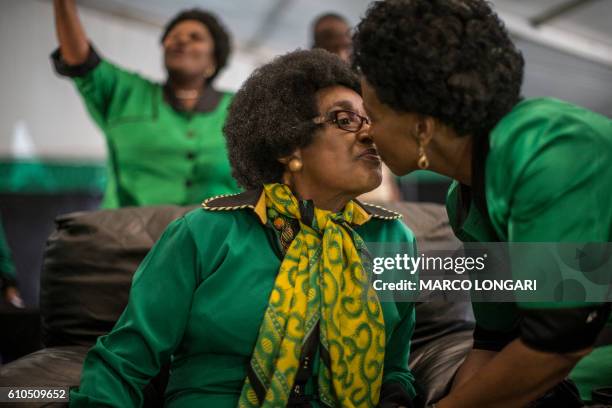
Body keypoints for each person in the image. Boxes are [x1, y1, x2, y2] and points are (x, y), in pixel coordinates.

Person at [70, 49, 418, 407]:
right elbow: (124, 361)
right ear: (288, 145)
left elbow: (394, 368)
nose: (369, 135)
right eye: (345, 119)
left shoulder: (394, 240)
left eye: (370, 120)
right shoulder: (205, 234)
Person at [352, 0, 612, 406]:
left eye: (372, 115)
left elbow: (557, 345)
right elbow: (492, 342)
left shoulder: (550, 148)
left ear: (421, 127)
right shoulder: (466, 200)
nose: (366, 133)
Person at [52, 1, 239, 208]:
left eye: (195, 37)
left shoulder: (241, 108)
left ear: (213, 60)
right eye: (174, 36)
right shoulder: (124, 93)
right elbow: (81, 61)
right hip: (130, 237)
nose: (182, 41)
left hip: (217, 236)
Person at [311, 12, 401, 203]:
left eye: (346, 47)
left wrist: (394, 196)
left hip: (379, 197)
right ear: (316, 49)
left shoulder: (368, 90)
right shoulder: (309, 98)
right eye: (332, 48)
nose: (342, 56)